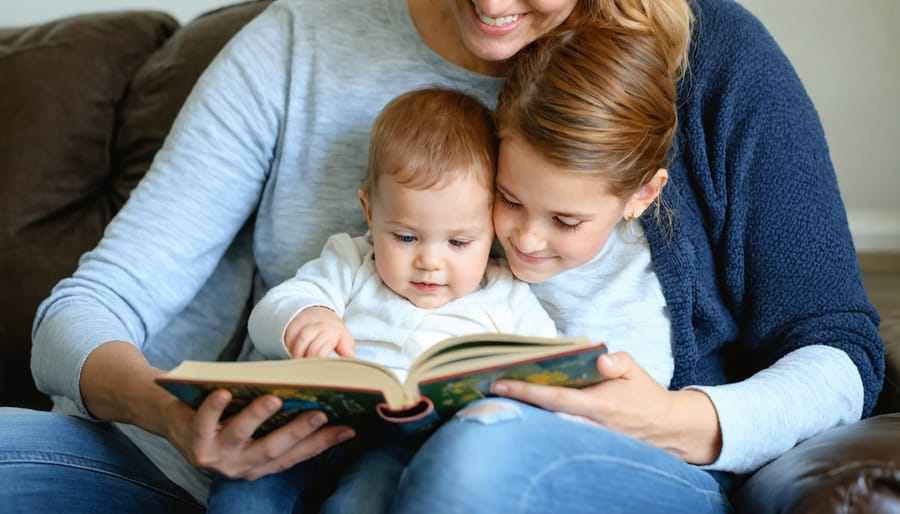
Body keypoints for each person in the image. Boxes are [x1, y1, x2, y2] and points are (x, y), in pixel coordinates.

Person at [0, 0, 882, 512]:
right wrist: (163, 408)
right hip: (279, 459)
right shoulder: (293, 44)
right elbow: (83, 313)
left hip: (575, 458)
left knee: (472, 462)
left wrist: (688, 421)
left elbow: (840, 345)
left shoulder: (706, 56)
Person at [389, 18, 884, 514]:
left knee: (470, 462)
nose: (527, 237)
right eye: (508, 200)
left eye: (566, 220)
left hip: (658, 469)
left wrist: (677, 418)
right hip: (473, 438)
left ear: (643, 194)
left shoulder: (722, 66)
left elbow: (840, 347)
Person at [205, 86, 558, 513]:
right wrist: (306, 318)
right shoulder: (353, 261)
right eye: (406, 237)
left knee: (363, 502)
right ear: (370, 211)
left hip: (405, 446)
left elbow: (549, 374)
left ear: (493, 226)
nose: (429, 261)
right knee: (242, 497)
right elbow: (271, 313)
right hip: (312, 421)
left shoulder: (506, 294)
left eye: (459, 241)